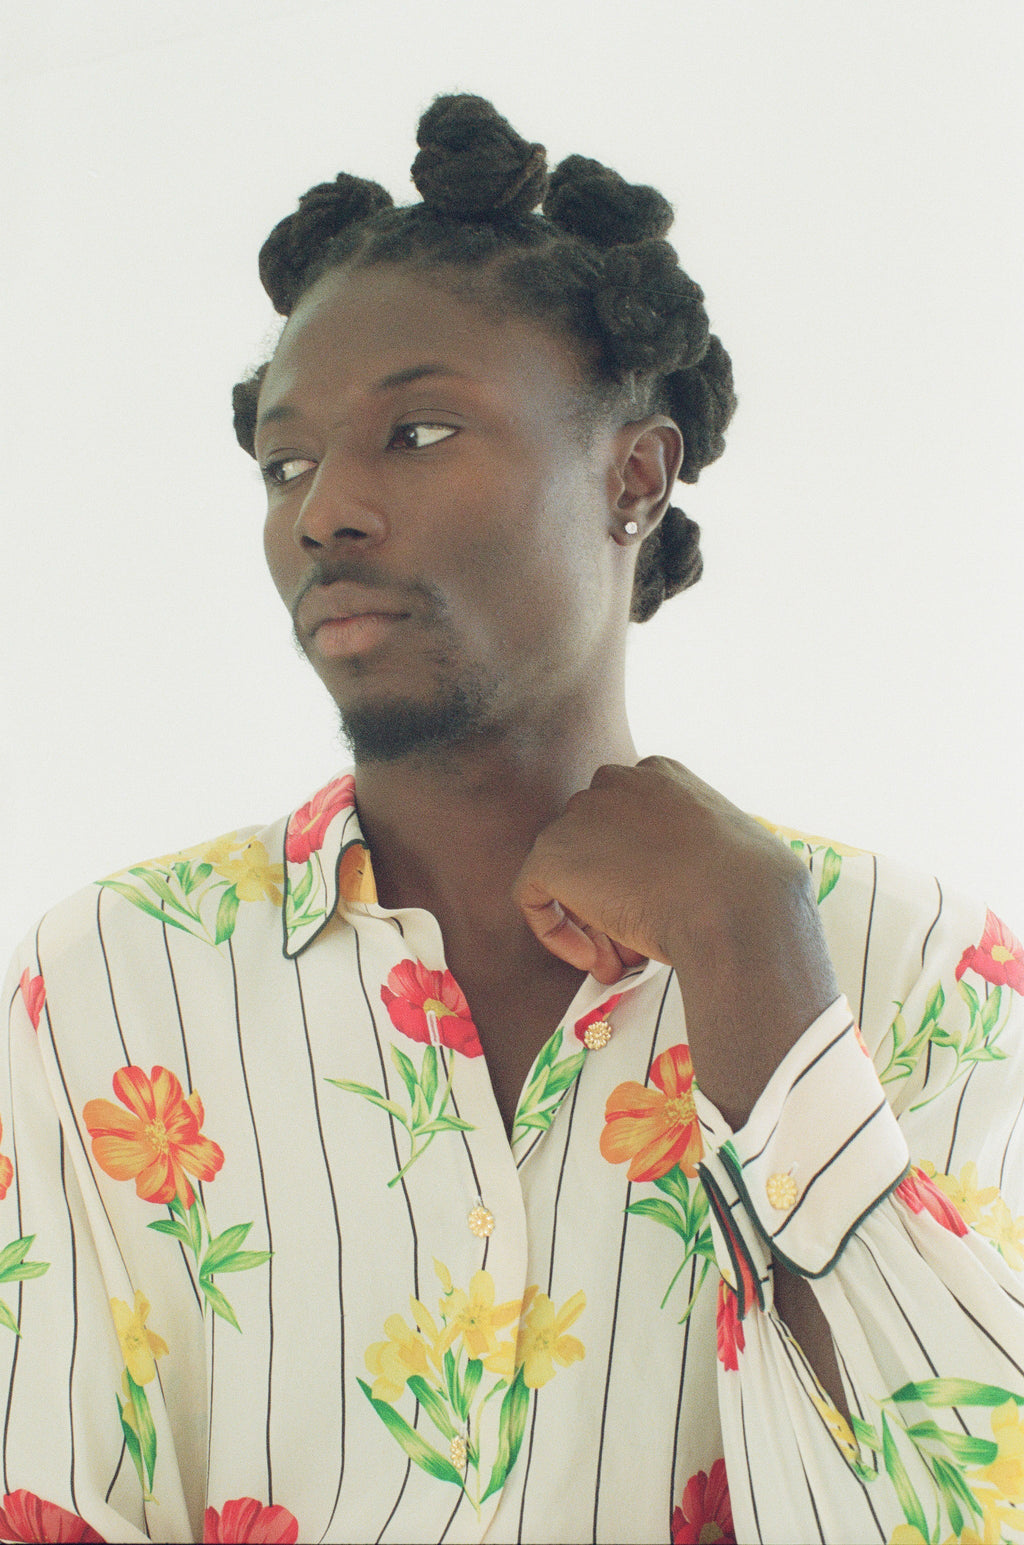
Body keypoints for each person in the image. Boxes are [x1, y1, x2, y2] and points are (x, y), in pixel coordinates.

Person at [2, 93, 1022, 1545]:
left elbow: (972, 1506)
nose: (324, 511)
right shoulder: (108, 990)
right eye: (286, 462)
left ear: (635, 476)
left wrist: (763, 981)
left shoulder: (922, 973)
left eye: (415, 431)